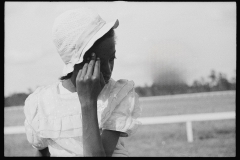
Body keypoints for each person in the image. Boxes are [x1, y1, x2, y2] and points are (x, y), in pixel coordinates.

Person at [23, 6, 141, 157]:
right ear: (73, 62)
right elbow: (42, 152)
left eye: (112, 59)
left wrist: (88, 103)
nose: (108, 69)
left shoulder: (116, 96)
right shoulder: (41, 104)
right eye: (98, 62)